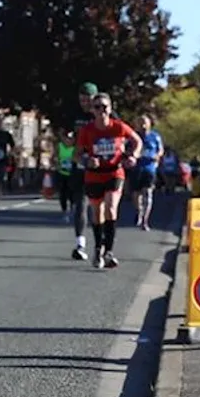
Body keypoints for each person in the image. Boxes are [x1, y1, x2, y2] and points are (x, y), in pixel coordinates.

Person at [75, 91, 141, 269]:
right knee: (97, 212)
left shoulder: (118, 127)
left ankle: (109, 252)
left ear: (110, 109)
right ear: (92, 110)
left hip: (114, 172)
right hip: (94, 175)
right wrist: (87, 161)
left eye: (105, 107)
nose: (101, 111)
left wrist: (133, 156)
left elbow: (137, 140)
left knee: (111, 207)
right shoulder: (87, 131)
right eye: (97, 107)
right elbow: (77, 155)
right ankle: (98, 248)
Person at [69, 83, 97, 260]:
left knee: (99, 207)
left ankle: (101, 244)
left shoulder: (103, 113)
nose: (84, 103)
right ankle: (80, 244)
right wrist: (68, 140)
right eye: (81, 100)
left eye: (87, 99)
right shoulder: (75, 115)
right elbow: (65, 135)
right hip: (80, 164)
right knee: (80, 204)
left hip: (100, 166)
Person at [130, 114, 164, 231]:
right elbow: (127, 149)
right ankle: (139, 211)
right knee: (136, 194)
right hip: (136, 168)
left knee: (148, 193)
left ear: (149, 124)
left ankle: (145, 220)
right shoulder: (134, 137)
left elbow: (160, 150)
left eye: (145, 123)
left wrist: (157, 156)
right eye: (141, 123)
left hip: (150, 169)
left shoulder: (155, 137)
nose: (143, 126)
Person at [54, 128, 79, 215]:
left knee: (72, 191)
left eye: (71, 139)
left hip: (72, 173)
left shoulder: (76, 148)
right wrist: (56, 162)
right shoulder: (59, 146)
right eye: (67, 138)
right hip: (61, 172)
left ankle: (73, 205)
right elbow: (55, 157)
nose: (69, 140)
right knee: (62, 191)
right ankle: (64, 208)